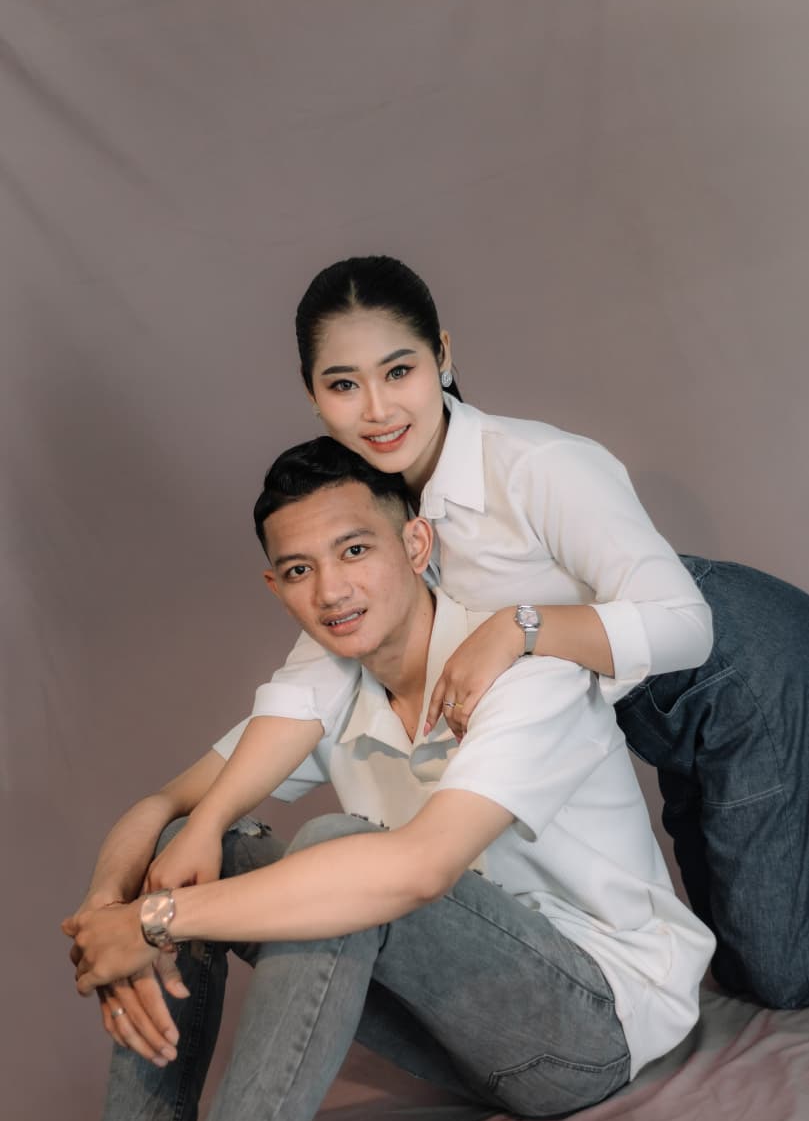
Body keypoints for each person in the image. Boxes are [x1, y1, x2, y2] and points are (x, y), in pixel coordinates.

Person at [67, 437, 714, 1121]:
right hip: (457, 1033)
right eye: (300, 571)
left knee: (341, 850)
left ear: (414, 544)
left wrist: (153, 922)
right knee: (192, 841)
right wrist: (105, 912)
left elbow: (420, 870)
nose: (331, 591)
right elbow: (159, 808)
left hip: (592, 1029)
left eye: (354, 550)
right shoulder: (326, 687)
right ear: (276, 587)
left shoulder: (528, 677)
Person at [242, 254, 809, 1009]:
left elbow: (687, 628)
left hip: (741, 676)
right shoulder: (370, 506)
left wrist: (520, 626)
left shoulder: (535, 464)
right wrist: (181, 812)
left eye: (399, 371)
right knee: (732, 965)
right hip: (653, 718)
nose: (376, 409)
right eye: (344, 384)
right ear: (313, 395)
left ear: (442, 356)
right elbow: (312, 679)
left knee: (775, 977)